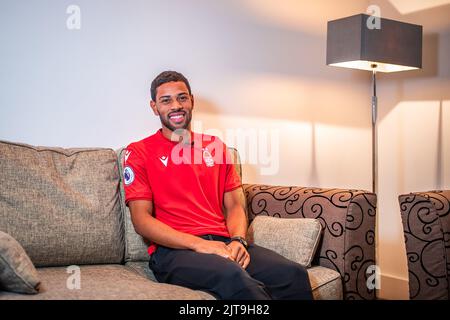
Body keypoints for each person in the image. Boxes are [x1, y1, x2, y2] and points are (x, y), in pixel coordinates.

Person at [123, 70, 313, 300]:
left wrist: (238, 240)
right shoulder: (139, 152)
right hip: (175, 252)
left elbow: (234, 205)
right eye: (166, 100)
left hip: (223, 242)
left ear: (192, 101)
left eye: (182, 97)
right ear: (154, 107)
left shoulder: (215, 146)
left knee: (293, 274)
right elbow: (141, 221)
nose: (176, 105)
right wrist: (199, 245)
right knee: (236, 278)